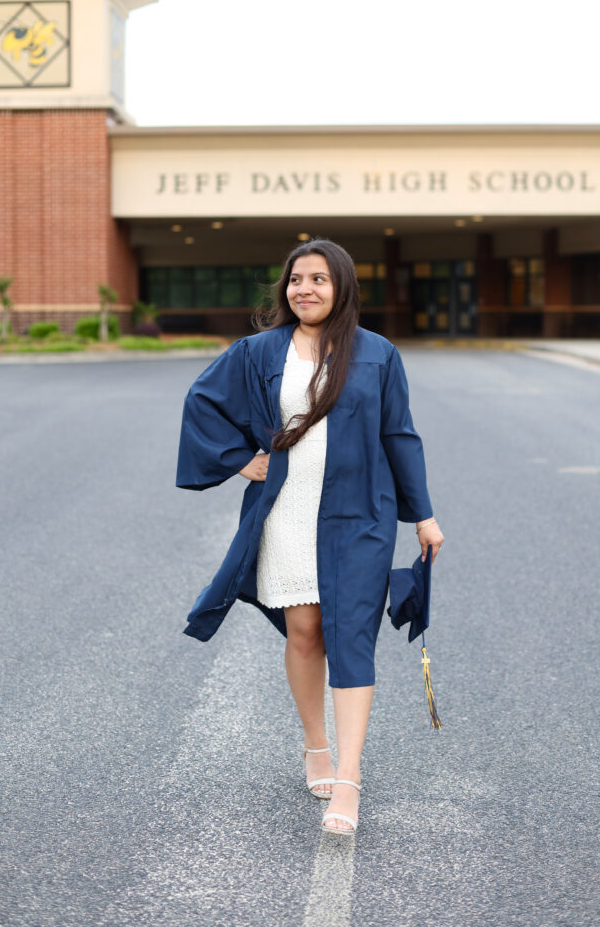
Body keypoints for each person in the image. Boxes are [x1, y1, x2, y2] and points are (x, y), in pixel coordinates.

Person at [176, 238, 444, 836]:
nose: (305, 289)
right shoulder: (256, 351)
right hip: (290, 509)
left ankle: (347, 780)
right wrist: (239, 460)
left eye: (319, 279)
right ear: (285, 288)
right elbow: (201, 401)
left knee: (350, 631)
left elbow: (400, 435)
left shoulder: (376, 354)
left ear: (341, 286)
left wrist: (422, 514)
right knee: (305, 630)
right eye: (296, 279)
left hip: (360, 514)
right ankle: (315, 742)